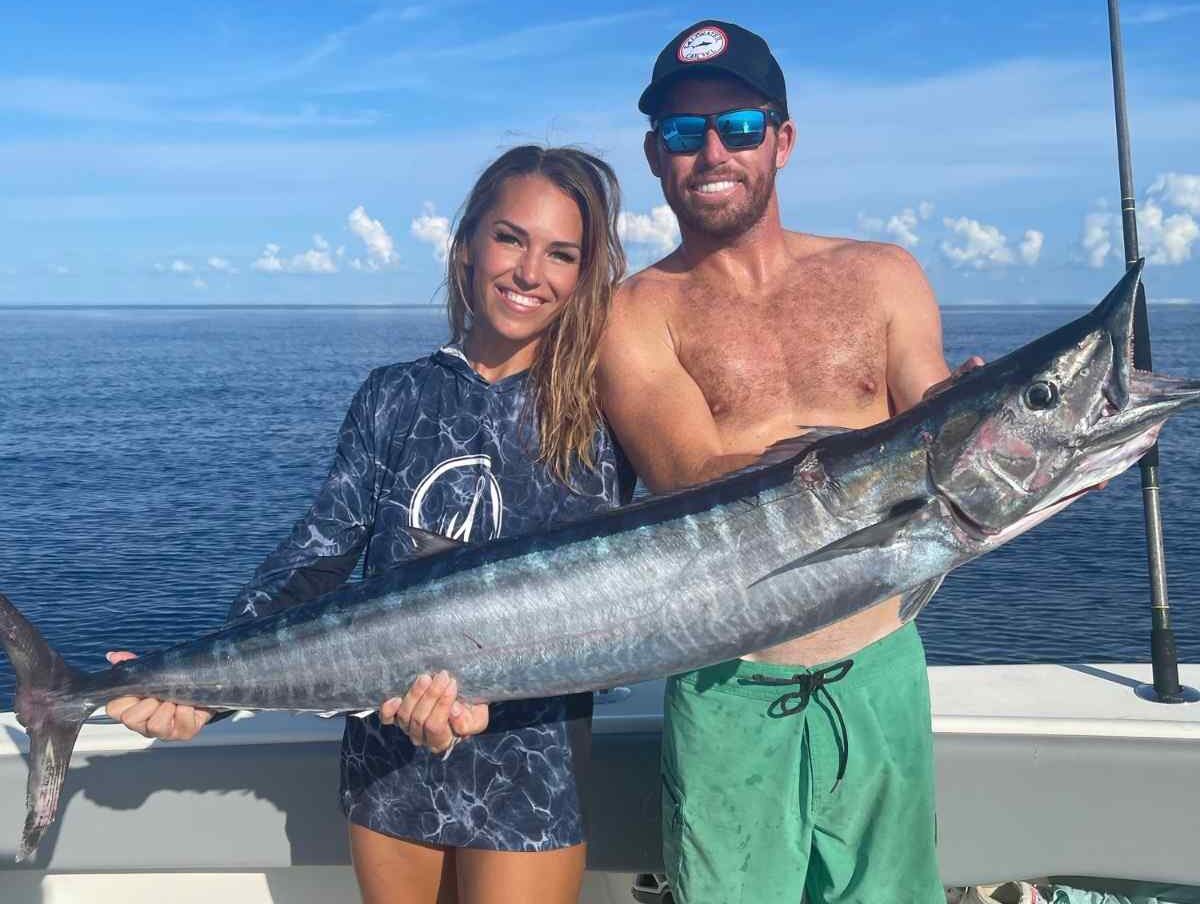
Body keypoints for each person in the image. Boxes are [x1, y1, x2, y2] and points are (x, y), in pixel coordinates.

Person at [105, 144, 633, 904]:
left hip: (532, 765)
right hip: (390, 759)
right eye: (510, 238)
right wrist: (201, 689)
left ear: (584, 276)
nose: (529, 272)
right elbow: (314, 560)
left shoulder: (604, 412)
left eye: (561, 254)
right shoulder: (394, 395)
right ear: (467, 245)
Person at [598, 20, 973, 904]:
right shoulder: (630, 313)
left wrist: (996, 424)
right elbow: (692, 476)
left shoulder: (886, 275)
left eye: (739, 126)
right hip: (731, 685)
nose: (713, 153)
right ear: (655, 155)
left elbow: (939, 424)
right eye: (684, 133)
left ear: (784, 139)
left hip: (882, 669)